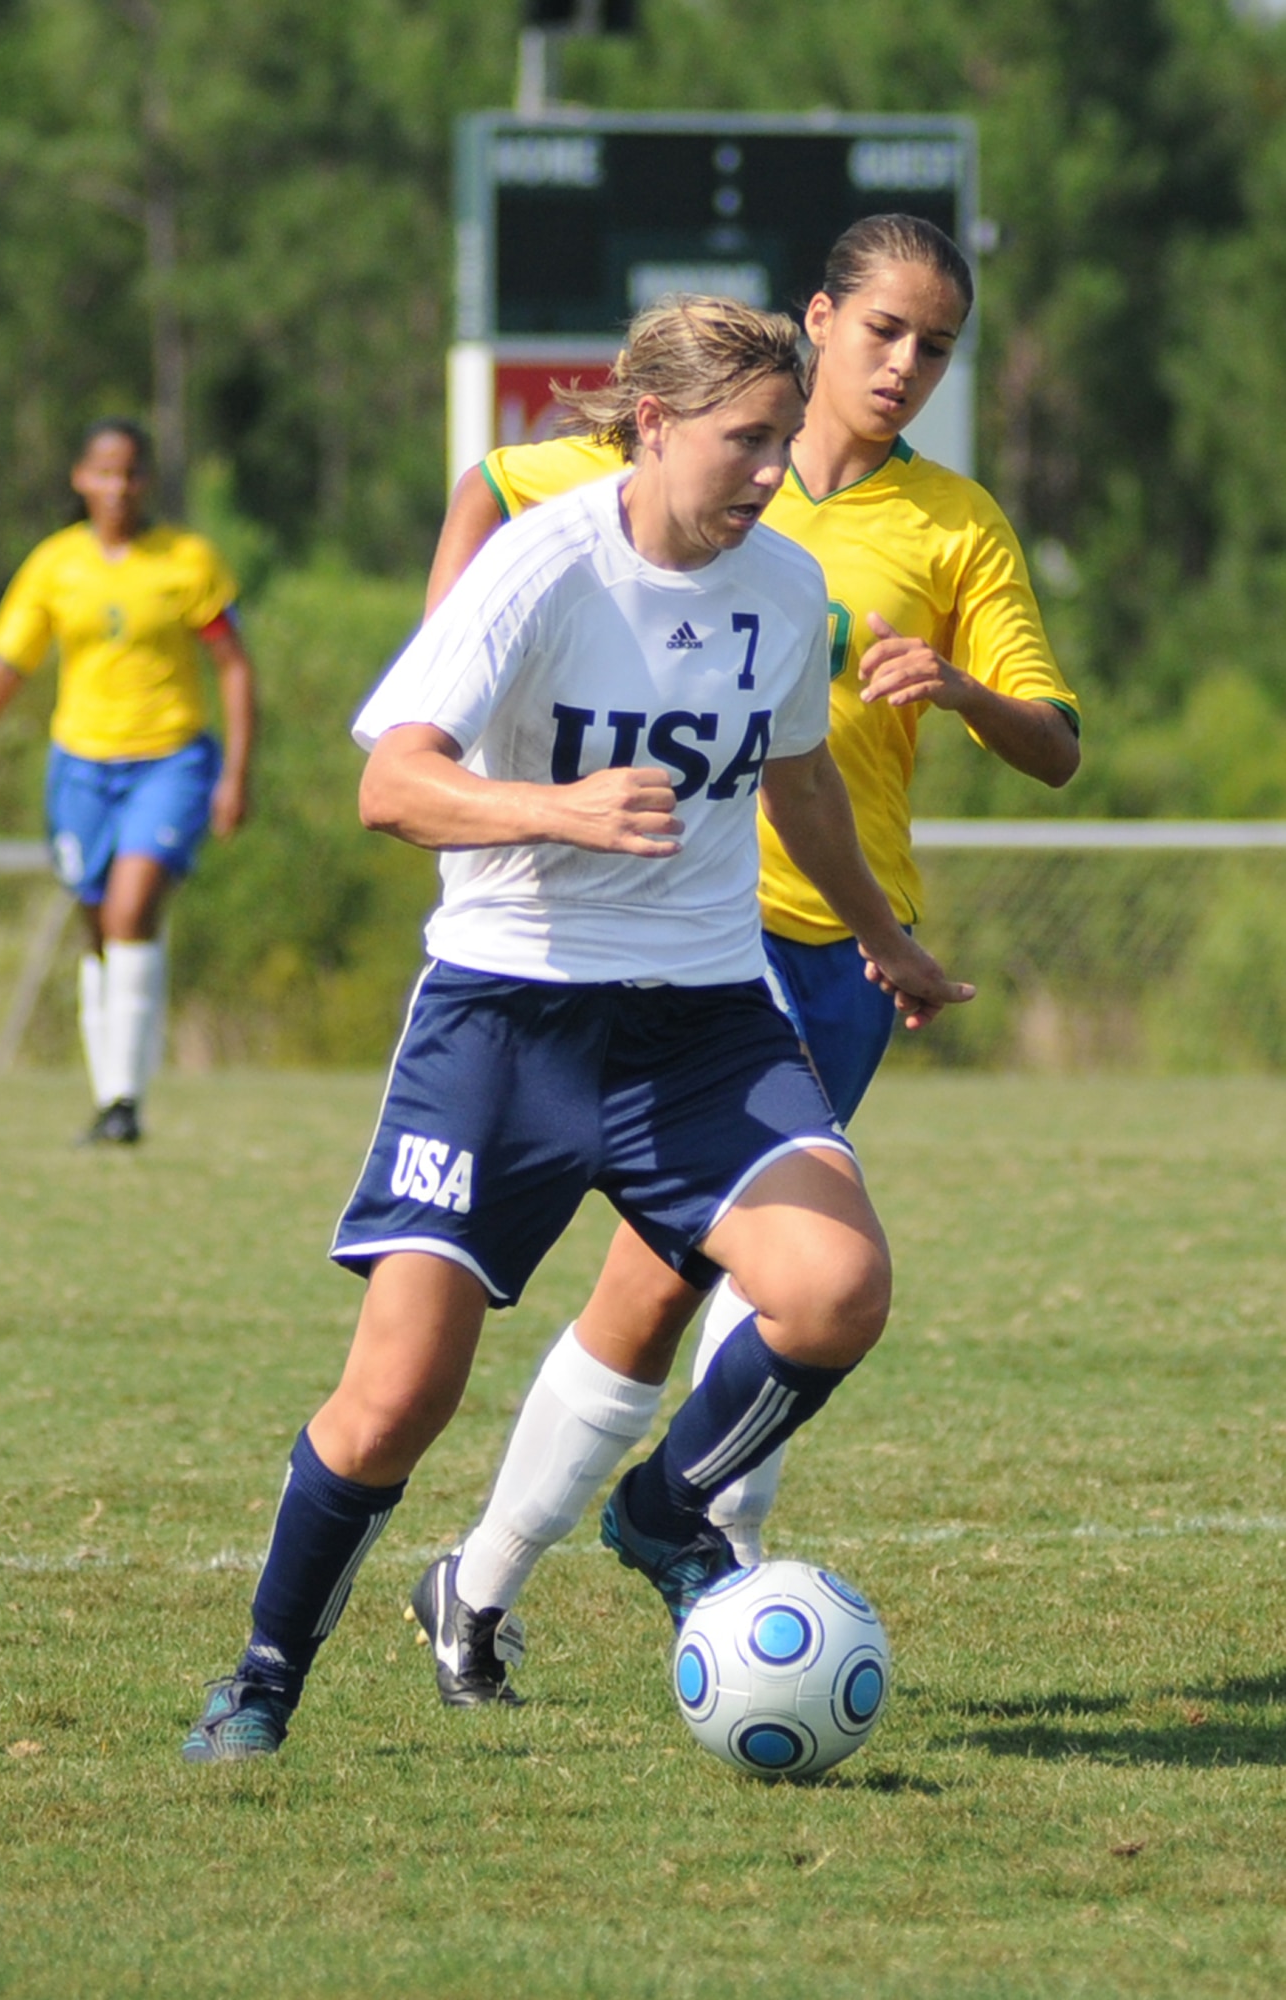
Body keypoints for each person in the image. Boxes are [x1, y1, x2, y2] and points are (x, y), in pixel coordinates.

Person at [180, 294, 972, 1761]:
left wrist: (879, 936)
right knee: (392, 1402)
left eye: (781, 443)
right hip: (506, 1022)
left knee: (835, 1285)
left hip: (704, 1026)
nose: (766, 472)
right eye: (742, 441)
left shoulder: (787, 592)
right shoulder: (539, 569)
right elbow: (392, 786)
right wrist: (551, 809)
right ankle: (263, 1681)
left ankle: (661, 1510)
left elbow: (799, 784)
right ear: (651, 424)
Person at [415, 214, 1081, 1708]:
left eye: (937, 345)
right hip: (667, 940)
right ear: (820, 317)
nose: (905, 363)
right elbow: (494, 481)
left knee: (714, 1294)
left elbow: (1057, 745)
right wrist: (444, 686)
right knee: (671, 1289)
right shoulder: (695, 452)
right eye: (885, 330)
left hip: (834, 950)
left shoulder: (952, 526)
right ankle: (610, 1565)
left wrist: (959, 687)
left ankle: (538, 1573)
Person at [0, 419, 256, 1144]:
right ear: (81, 479)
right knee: (97, 922)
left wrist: (235, 772)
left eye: (132, 474)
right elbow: (4, 666)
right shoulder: (54, 566)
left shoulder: (186, 562)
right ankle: (109, 1090)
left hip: (171, 760)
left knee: (130, 909)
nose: (119, 487)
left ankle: (124, 1103)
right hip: (80, 767)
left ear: (147, 482)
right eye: (105, 473)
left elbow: (232, 665)